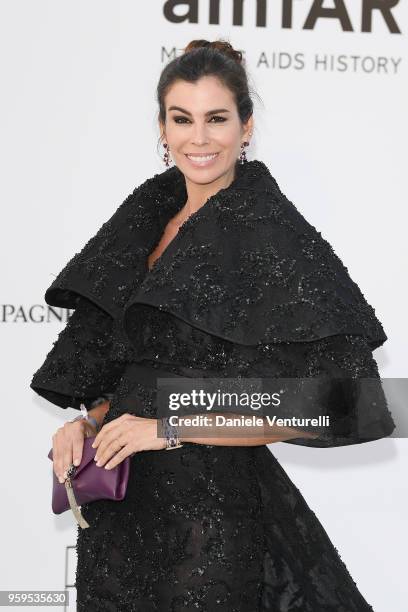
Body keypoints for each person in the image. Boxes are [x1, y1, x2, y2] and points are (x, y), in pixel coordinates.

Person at [30, 39, 395, 611]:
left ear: (245, 127)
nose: (198, 138)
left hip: (208, 513)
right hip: (119, 509)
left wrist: (171, 427)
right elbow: (131, 365)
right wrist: (89, 423)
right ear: (162, 127)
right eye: (183, 119)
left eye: (216, 119)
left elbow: (328, 402)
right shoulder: (145, 217)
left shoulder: (271, 233)